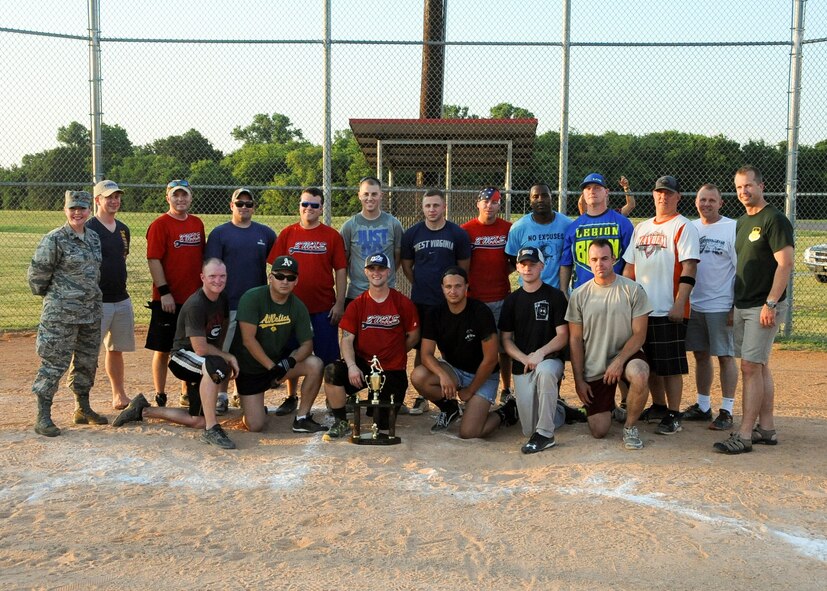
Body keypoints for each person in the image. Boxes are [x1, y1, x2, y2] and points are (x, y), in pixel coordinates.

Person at [113, 258, 240, 450]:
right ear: (202, 277)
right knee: (217, 366)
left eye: (222, 276)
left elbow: (218, 335)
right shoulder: (197, 304)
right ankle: (212, 429)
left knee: (198, 420)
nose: (218, 280)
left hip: (202, 360)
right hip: (182, 357)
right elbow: (200, 349)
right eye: (212, 276)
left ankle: (143, 410)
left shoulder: (222, 299)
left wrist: (222, 357)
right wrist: (227, 357)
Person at [714, 166, 794, 455]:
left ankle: (745, 434)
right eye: (738, 187)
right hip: (745, 303)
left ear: (761, 186)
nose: (743, 191)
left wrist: (771, 303)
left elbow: (785, 264)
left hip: (764, 305)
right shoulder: (742, 222)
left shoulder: (774, 219)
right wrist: (736, 304)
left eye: (748, 186)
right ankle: (767, 429)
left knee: (749, 367)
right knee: (759, 366)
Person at [622, 175, 700, 436]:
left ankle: (675, 413)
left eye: (669, 193)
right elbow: (630, 267)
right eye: (659, 192)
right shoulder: (641, 227)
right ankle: (658, 405)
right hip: (642, 310)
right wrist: (625, 301)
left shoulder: (683, 226)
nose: (663, 196)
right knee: (651, 363)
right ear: (653, 195)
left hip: (669, 307)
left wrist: (680, 303)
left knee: (671, 366)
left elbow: (689, 267)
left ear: (678, 197)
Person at [28, 190, 107, 436]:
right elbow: (37, 277)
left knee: (86, 362)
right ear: (65, 209)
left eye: (82, 208)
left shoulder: (93, 238)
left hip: (90, 313)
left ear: (89, 211)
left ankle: (82, 409)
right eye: (73, 208)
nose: (77, 213)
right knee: (54, 363)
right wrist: (59, 298)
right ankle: (43, 416)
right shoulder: (55, 239)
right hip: (60, 316)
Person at [411, 266, 518, 439]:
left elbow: (491, 359)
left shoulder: (480, 312)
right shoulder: (435, 313)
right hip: (454, 370)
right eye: (448, 287)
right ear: (442, 288)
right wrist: (442, 375)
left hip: (483, 375)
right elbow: (426, 354)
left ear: (467, 287)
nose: (453, 291)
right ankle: (450, 408)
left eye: (458, 286)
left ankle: (506, 412)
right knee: (419, 376)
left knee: (469, 433)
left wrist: (470, 390)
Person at [322, 252, 420, 441]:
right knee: (332, 371)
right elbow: (347, 339)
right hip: (363, 364)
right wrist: (351, 366)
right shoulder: (358, 304)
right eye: (372, 269)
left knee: (381, 423)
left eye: (381, 268)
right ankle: (341, 420)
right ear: (365, 272)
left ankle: (375, 401)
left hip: (392, 369)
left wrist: (396, 352)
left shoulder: (402, 302)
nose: (377, 273)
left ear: (388, 272)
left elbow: (414, 335)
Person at [267, 187, 347, 416]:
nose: (309, 209)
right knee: (291, 352)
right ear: (299, 206)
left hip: (323, 307)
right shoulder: (288, 233)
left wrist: (339, 302)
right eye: (305, 204)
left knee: (328, 356)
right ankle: (291, 397)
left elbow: (340, 270)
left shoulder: (331, 235)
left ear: (321, 208)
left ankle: (334, 401)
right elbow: (275, 270)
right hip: (290, 309)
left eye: (314, 205)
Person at [566, 239, 653, 449]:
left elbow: (640, 335)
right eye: (594, 259)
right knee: (599, 430)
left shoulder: (633, 290)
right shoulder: (579, 295)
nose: (600, 264)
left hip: (627, 355)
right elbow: (575, 340)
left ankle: (630, 427)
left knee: (640, 374)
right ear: (588, 262)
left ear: (614, 259)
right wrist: (579, 380)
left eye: (605, 258)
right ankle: (611, 409)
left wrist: (619, 361)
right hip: (596, 365)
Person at [231, 255, 326, 435]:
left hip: (276, 365)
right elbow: (248, 340)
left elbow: (307, 344)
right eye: (279, 276)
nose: (285, 281)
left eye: (290, 278)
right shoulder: (252, 298)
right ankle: (252, 406)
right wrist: (272, 367)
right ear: (270, 277)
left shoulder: (297, 306)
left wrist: (289, 362)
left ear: (296, 281)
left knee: (316, 364)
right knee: (256, 425)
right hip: (250, 368)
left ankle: (302, 418)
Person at [205, 187, 276, 413]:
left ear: (254, 207)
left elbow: (278, 264)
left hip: (256, 306)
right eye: (239, 203)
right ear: (231, 205)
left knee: (250, 351)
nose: (244, 207)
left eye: (248, 203)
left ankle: (242, 393)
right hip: (228, 302)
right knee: (223, 350)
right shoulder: (220, 233)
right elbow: (212, 268)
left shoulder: (265, 233)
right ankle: (221, 395)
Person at [401, 188, 472, 414]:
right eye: (428, 205)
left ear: (444, 207)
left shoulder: (457, 234)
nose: (432, 209)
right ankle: (423, 395)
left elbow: (463, 268)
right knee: (423, 349)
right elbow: (407, 266)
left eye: (436, 205)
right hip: (422, 301)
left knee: (454, 347)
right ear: (422, 208)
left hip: (450, 303)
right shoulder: (412, 234)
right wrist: (422, 284)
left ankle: (464, 389)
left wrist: (451, 292)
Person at [499, 247, 569, 453]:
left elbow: (563, 335)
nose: (527, 268)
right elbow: (506, 339)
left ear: (542, 266)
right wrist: (523, 357)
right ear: (518, 268)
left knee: (545, 371)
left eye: (532, 264)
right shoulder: (512, 300)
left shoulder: (555, 296)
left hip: (550, 360)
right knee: (527, 427)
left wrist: (540, 353)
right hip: (524, 365)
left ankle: (545, 435)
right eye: (523, 264)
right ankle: (559, 411)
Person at [681, 184, 739, 430]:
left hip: (721, 303)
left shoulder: (732, 227)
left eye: (712, 200)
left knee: (725, 356)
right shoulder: (690, 227)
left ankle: (727, 409)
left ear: (720, 203)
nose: (706, 204)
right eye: (702, 199)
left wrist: (734, 305)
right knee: (700, 355)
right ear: (695, 202)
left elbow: (740, 269)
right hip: (694, 303)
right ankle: (703, 405)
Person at [145, 179, 205, 408]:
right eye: (176, 195)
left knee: (189, 346)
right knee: (163, 348)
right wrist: (164, 292)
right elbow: (154, 259)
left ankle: (185, 390)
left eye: (184, 195)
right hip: (168, 298)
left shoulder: (197, 223)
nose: (180, 199)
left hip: (193, 298)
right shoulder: (160, 224)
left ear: (191, 197)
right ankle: (160, 393)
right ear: (167, 197)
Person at [461, 187, 514, 401]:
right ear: (478, 204)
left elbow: (513, 262)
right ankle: (475, 387)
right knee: (475, 346)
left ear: (500, 205)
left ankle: (506, 388)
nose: (489, 206)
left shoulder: (508, 229)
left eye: (494, 202)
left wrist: (501, 272)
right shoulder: (466, 230)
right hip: (475, 299)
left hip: (501, 296)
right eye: (485, 202)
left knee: (503, 347)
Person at [86, 180, 134, 411]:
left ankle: (119, 395)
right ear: (97, 200)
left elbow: (121, 258)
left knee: (116, 349)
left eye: (117, 196)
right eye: (108, 197)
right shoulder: (88, 228)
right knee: (87, 351)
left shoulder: (123, 229)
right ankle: (82, 402)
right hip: (97, 301)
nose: (114, 201)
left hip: (121, 299)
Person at [560, 173, 635, 293]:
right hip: (581, 293)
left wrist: (625, 290)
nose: (592, 191)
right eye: (588, 188)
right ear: (583, 194)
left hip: (615, 292)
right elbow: (566, 263)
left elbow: (631, 262)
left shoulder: (622, 223)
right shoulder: (574, 227)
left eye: (597, 187)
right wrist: (563, 290)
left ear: (606, 192)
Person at [340, 176, 403, 304]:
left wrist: (383, 276)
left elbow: (398, 257)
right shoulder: (350, 226)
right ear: (359, 195)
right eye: (366, 194)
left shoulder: (393, 224)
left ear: (381, 195)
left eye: (374, 194)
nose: (370, 198)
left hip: (386, 291)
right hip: (357, 293)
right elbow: (343, 261)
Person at [505, 183, 571, 289]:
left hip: (559, 290)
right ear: (530, 201)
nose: (540, 199)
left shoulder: (567, 225)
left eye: (544, 195)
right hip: (530, 291)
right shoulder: (518, 228)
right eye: (535, 196)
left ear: (551, 198)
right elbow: (513, 257)